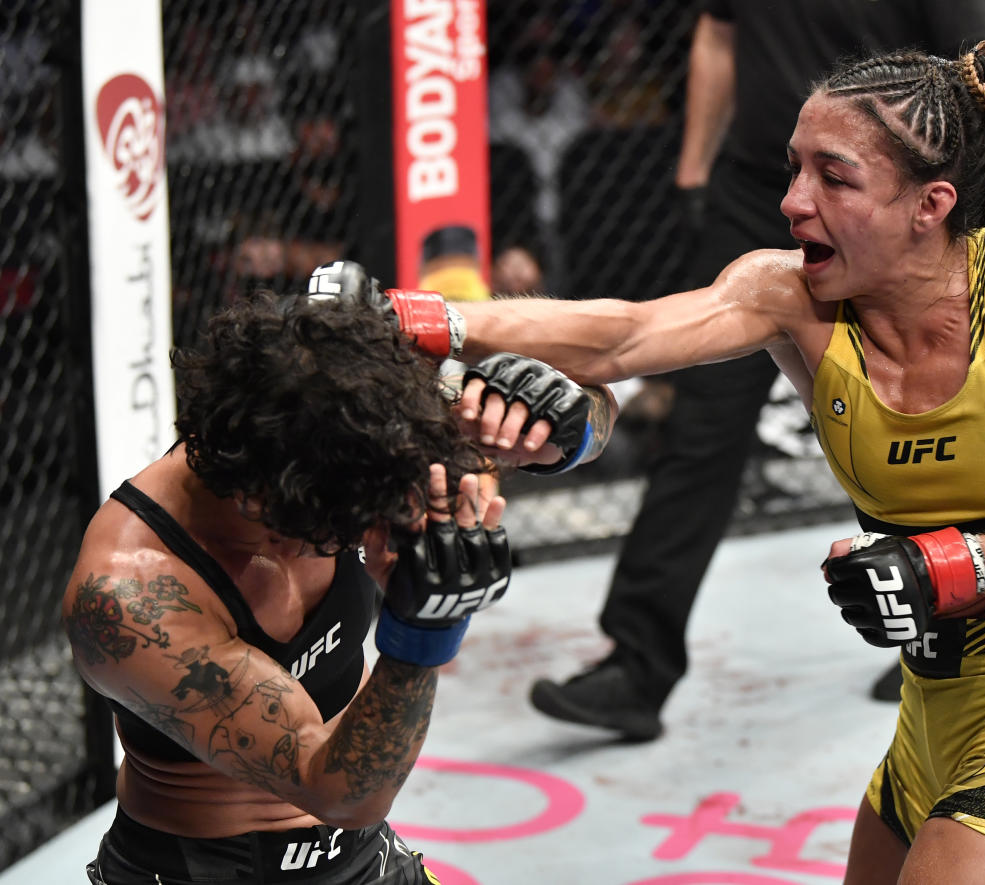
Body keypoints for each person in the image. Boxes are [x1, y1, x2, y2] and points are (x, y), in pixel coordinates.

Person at [397, 40, 985, 883]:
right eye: (793, 168)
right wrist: (416, 317)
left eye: (833, 178)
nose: (793, 202)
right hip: (926, 732)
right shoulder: (792, 296)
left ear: (931, 204)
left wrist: (946, 565)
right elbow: (626, 334)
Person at [528, 0, 985, 741]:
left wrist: (942, 218)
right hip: (761, 189)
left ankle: (948, 622)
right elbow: (718, 35)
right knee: (702, 423)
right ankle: (638, 662)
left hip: (882, 214)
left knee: (931, 415)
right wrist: (694, 174)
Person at [62, 285, 616, 884]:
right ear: (258, 497)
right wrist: (422, 634)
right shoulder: (129, 597)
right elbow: (337, 792)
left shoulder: (356, 421)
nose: (351, 539)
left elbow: (600, 403)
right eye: (332, 529)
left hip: (364, 852)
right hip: (212, 868)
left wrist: (558, 420)